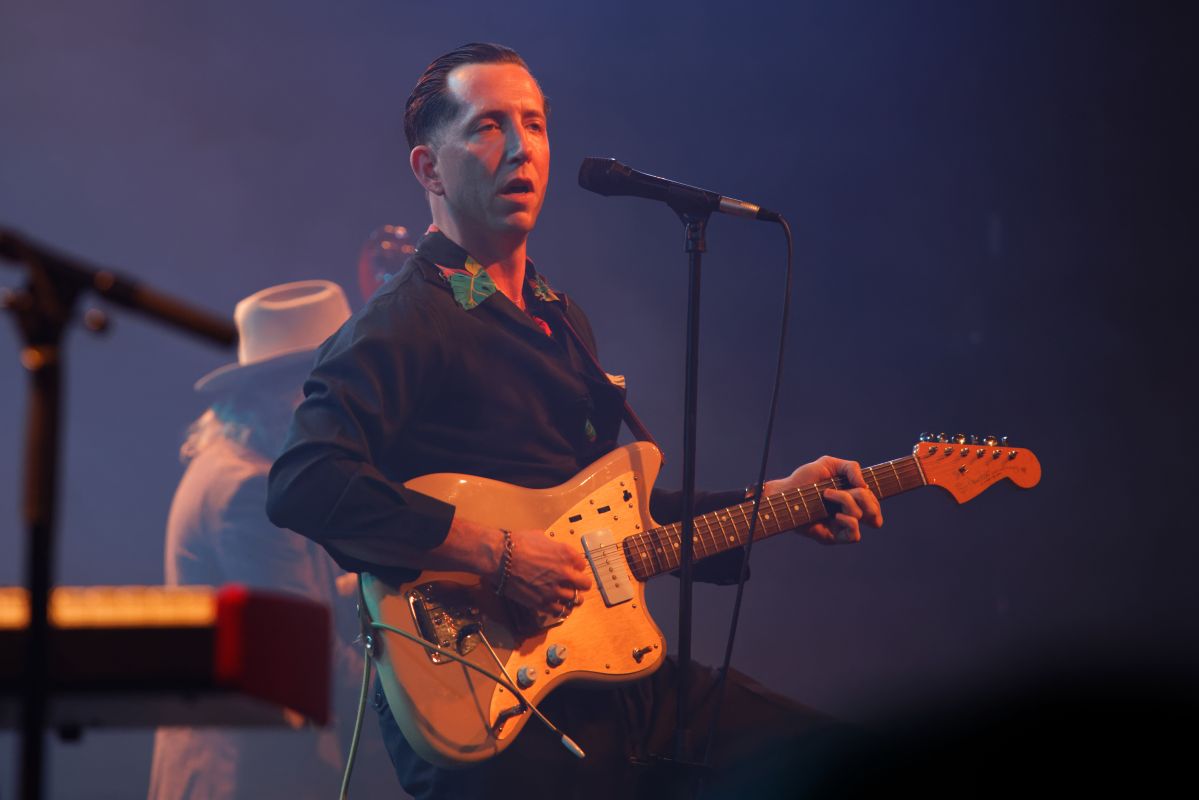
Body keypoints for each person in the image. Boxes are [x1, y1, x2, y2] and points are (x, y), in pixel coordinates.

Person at [266, 43, 883, 799]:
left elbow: (611, 520)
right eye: (488, 126)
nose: (521, 146)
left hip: (608, 672)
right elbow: (305, 480)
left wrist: (776, 499)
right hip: (494, 701)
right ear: (429, 170)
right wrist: (498, 554)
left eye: (533, 123)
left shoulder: (558, 318)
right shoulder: (406, 319)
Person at [148, 280, 366, 800]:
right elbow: (305, 656)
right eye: (337, 388)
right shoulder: (248, 490)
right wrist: (425, 697)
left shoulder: (233, 465)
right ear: (289, 392)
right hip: (247, 774)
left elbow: (287, 595)